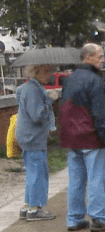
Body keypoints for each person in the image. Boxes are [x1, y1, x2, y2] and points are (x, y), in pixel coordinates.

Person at [59, 43, 105, 232]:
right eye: (99, 56)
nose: (103, 60)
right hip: (91, 138)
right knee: (97, 179)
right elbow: (101, 114)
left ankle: (74, 219)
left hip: (71, 139)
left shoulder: (70, 80)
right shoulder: (95, 81)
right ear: (88, 58)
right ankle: (99, 219)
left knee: (76, 181)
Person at [15, 64, 59, 222]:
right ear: (35, 71)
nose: (50, 74)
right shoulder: (33, 90)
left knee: (32, 172)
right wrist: (49, 99)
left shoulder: (29, 88)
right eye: (46, 71)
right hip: (33, 138)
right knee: (38, 172)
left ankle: (27, 206)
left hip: (28, 137)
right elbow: (37, 115)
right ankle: (35, 209)